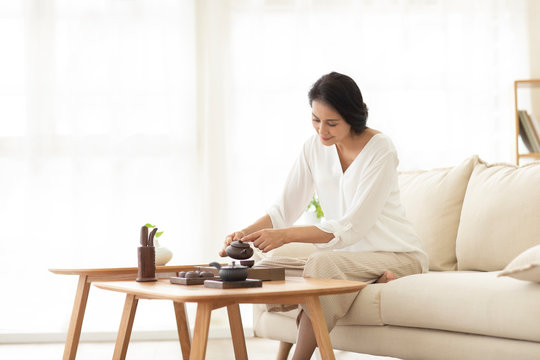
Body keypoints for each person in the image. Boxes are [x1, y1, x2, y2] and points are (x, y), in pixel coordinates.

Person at [220, 72, 428, 360]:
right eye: (316, 120)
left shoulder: (380, 149)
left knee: (321, 264)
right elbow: (283, 210)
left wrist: (286, 235)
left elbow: (352, 227)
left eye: (332, 123)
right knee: (267, 268)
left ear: (353, 117)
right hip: (348, 261)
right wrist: (243, 234)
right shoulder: (313, 148)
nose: (322, 131)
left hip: (397, 254)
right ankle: (364, 283)